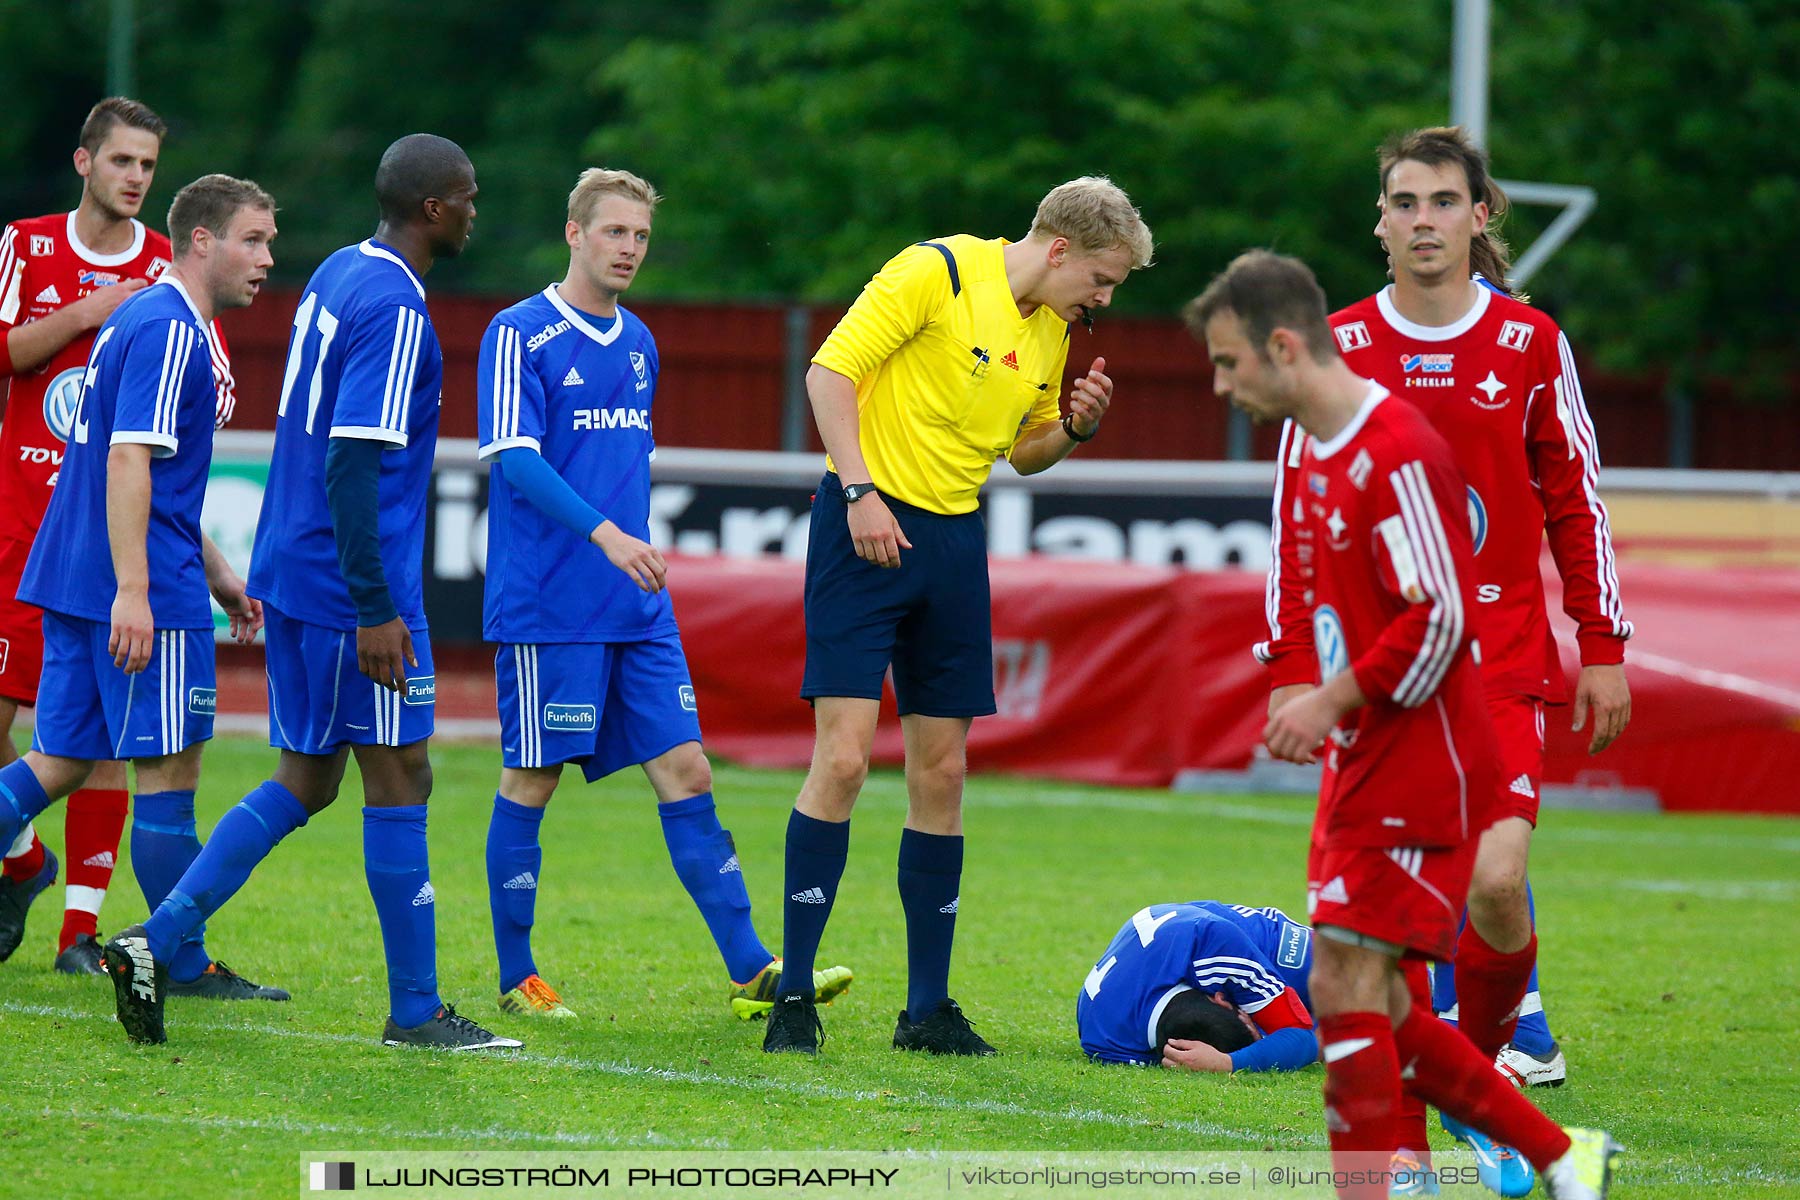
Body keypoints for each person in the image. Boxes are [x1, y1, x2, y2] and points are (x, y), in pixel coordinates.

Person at [1188, 248, 1619, 1200]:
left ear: (1284, 347)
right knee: (1368, 991)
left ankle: (1410, 1174)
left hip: (1422, 756)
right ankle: (1550, 1152)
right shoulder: (1321, 447)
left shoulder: (1399, 450)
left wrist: (1329, 701)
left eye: (1228, 363)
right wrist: (1303, 680)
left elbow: (1442, 620)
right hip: (1366, 750)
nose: (1220, 385)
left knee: (1356, 988)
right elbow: (1305, 581)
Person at [104, 135, 518, 1052]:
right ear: (435, 209)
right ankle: (414, 1013)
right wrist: (375, 605)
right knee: (399, 773)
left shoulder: (340, 270)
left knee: (311, 777)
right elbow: (353, 461)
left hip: (299, 570)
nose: (477, 209)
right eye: (469, 194)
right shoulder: (397, 305)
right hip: (343, 587)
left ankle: (154, 939)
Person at [1259, 127, 1629, 1100]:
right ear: (1380, 221)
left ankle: (1511, 1023)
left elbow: (1574, 501)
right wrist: (1292, 670)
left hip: (1500, 656)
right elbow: (1294, 521)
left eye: (1444, 202)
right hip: (1377, 671)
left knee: (1494, 880)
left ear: (1481, 215)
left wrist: (1601, 644)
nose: (1425, 221)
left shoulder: (1531, 344)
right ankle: (1502, 1051)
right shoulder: (1336, 349)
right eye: (1405, 203)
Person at [761, 178, 1154, 1057]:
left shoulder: (1051, 329)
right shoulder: (932, 272)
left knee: (943, 773)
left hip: (950, 544)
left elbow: (1025, 453)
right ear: (1059, 249)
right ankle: (794, 998)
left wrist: (1075, 430)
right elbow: (829, 375)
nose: (1104, 298)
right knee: (847, 759)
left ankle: (927, 1010)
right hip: (863, 525)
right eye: (1103, 276)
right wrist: (858, 490)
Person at [473, 167, 851, 1021]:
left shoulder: (640, 342)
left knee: (687, 768)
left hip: (636, 607)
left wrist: (625, 548)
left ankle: (752, 966)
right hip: (552, 606)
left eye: (641, 237)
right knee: (531, 779)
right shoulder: (518, 334)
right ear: (574, 233)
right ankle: (515, 973)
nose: (629, 249)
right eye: (614, 232)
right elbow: (516, 459)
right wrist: (606, 536)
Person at [0, 174, 278, 1028]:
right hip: (130, 584)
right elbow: (129, 463)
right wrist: (137, 590)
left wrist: (221, 573)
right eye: (253, 241)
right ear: (201, 240)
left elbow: (153, 474)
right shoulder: (169, 332)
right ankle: (174, 955)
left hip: (78, 573)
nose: (267, 259)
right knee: (169, 771)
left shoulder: (146, 317)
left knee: (60, 761)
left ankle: (173, 951)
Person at [1076, 900, 1317, 1073]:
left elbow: (1302, 1038)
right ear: (1220, 999)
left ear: (1220, 998)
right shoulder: (1107, 1044)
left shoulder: (1216, 946)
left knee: (1341, 990)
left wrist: (1228, 1063)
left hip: (1267, 946)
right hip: (1181, 943)